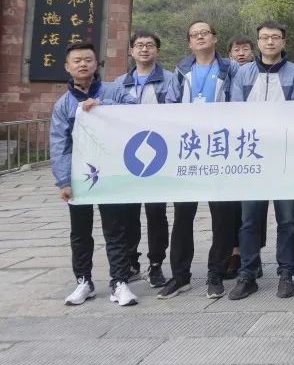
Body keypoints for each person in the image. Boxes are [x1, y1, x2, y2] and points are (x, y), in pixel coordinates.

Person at [50, 42, 138, 306]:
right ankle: (84, 282)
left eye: (88, 59)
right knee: (80, 232)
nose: (83, 64)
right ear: (67, 67)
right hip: (79, 176)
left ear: (96, 63)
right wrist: (64, 181)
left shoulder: (113, 90)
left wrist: (103, 105)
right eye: (77, 61)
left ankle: (119, 282)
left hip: (111, 172)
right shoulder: (63, 104)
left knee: (116, 229)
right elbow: (59, 144)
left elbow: (136, 112)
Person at [157, 20, 241, 299]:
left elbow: (240, 104)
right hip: (189, 149)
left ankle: (216, 273)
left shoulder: (230, 68)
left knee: (222, 216)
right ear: (189, 43)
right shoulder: (181, 70)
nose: (200, 37)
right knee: (183, 216)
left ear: (215, 38)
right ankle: (180, 276)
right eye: (195, 34)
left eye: (205, 33)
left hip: (221, 148)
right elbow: (170, 106)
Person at [228, 21, 294, 301]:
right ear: (258, 42)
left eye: (275, 37)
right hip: (252, 156)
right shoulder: (243, 73)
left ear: (284, 42)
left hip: (283, 157)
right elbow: (236, 111)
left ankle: (286, 273)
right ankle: (248, 274)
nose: (270, 42)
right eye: (264, 38)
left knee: (287, 220)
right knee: (249, 220)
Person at [112, 30, 177, 288]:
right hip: (127, 156)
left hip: (159, 154)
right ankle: (131, 261)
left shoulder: (170, 79)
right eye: (139, 45)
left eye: (150, 45)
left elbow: (176, 113)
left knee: (156, 212)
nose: (144, 49)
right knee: (128, 213)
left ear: (157, 50)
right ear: (131, 51)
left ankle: (156, 263)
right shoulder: (119, 83)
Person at [225, 36, 264, 279]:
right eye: (236, 49)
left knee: (254, 210)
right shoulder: (226, 73)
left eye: (245, 49)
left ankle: (252, 256)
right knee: (233, 209)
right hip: (231, 147)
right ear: (229, 53)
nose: (241, 53)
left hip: (258, 146)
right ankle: (234, 253)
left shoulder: (258, 72)